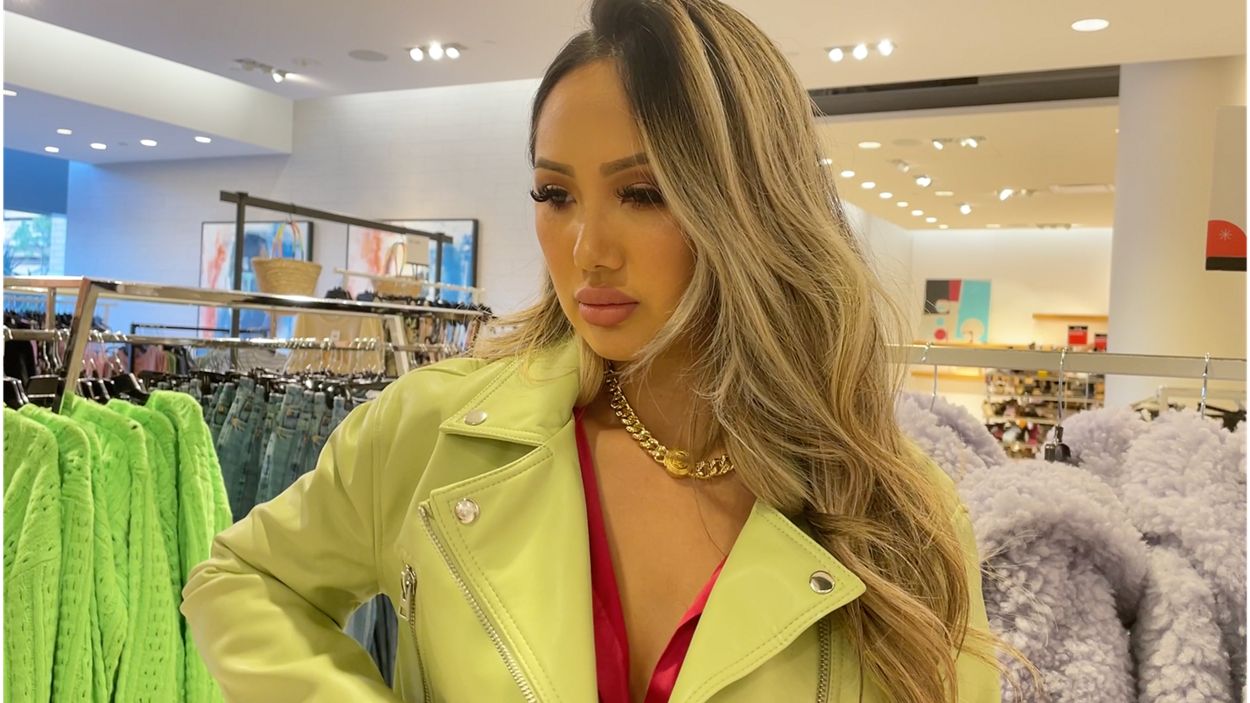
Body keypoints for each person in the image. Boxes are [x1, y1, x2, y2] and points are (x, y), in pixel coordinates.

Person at [181, 0, 1014, 700]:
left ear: (753, 207)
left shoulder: (897, 515)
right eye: (554, 193)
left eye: (642, 193)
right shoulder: (432, 434)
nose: (587, 250)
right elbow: (242, 582)